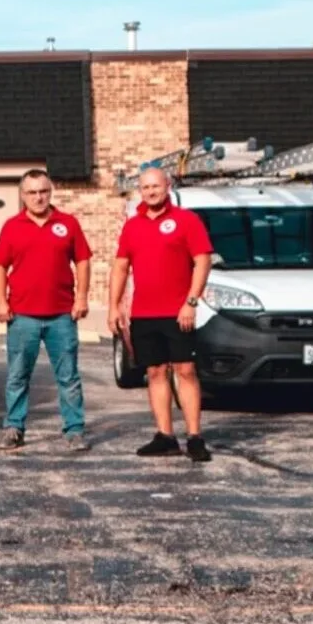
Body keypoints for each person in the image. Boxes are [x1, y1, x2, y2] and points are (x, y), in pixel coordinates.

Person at [107, 167, 213, 462]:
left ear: (167, 185)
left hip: (179, 313)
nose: (151, 192)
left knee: (185, 371)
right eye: (145, 187)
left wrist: (191, 302)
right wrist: (114, 305)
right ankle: (165, 436)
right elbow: (120, 267)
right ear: (139, 190)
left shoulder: (186, 220)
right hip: (143, 313)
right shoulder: (132, 226)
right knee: (155, 372)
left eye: (156, 186)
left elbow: (202, 262)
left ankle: (194, 437)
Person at [0, 169, 92, 452]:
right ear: (23, 196)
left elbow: (82, 261)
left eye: (43, 191)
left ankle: (74, 430)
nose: (38, 197)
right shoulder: (12, 226)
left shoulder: (68, 224)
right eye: (32, 192)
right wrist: (1, 301)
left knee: (69, 377)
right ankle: (14, 428)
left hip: (62, 315)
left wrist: (81, 297)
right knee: (17, 376)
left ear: (51, 192)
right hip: (22, 316)